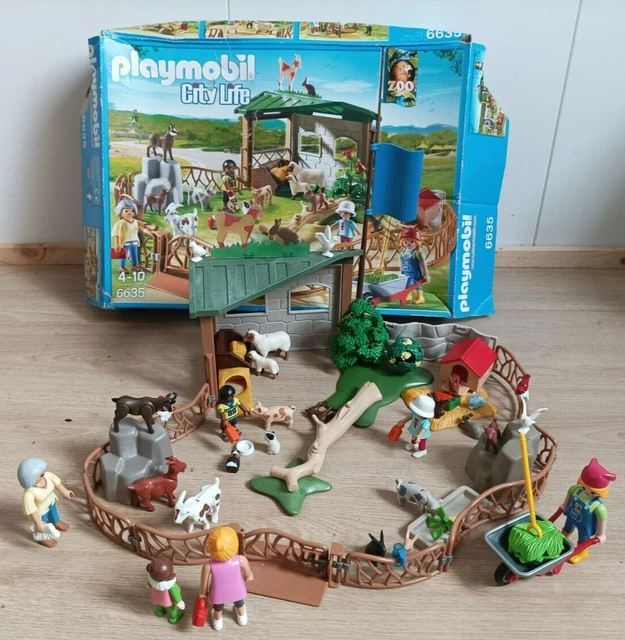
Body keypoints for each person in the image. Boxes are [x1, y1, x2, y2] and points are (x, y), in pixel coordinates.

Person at [559, 458, 616, 564]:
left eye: (593, 492)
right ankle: (561, 541)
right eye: (584, 487)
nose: (587, 493)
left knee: (583, 539)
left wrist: (601, 534)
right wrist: (564, 506)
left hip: (585, 525)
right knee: (566, 529)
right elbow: (568, 497)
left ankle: (582, 553)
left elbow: (602, 519)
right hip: (571, 515)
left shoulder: (598, 506)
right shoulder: (574, 490)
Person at [197, 526, 254, 631]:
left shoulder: (208, 566)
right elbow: (249, 575)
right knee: (239, 603)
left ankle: (218, 621)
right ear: (235, 545)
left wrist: (203, 594)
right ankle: (241, 617)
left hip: (218, 593)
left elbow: (203, 585)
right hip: (237, 591)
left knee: (218, 607)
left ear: (210, 548)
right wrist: (248, 576)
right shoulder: (241, 560)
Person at [17, 458, 75, 548]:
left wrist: (65, 492)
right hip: (41, 511)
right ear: (31, 478)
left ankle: (56, 522)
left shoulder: (48, 476)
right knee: (42, 524)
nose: (44, 473)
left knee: (54, 513)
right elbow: (32, 510)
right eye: (41, 474)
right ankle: (42, 538)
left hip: (52, 502)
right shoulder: (29, 493)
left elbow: (57, 484)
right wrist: (39, 523)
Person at [111, 199, 156, 274]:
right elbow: (116, 234)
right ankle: (121, 267)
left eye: (132, 211)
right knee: (123, 255)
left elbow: (142, 224)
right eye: (126, 211)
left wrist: (149, 226)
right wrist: (117, 244)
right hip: (124, 243)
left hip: (134, 241)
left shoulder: (135, 221)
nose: (130, 213)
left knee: (134, 254)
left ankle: (135, 265)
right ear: (120, 212)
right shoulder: (120, 223)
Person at [393, 395, 435, 459]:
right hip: (415, 430)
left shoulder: (426, 422)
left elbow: (424, 429)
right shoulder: (415, 414)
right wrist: (403, 421)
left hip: (422, 435)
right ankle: (413, 444)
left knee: (421, 442)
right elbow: (409, 417)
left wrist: (419, 436)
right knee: (413, 437)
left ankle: (422, 450)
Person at [146, 557, 185, 624]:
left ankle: (160, 611)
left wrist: (149, 586)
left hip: (156, 598)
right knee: (171, 608)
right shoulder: (171, 585)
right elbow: (175, 593)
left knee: (159, 604)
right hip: (167, 601)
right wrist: (179, 601)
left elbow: (149, 584)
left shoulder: (151, 580)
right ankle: (174, 617)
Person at [399, 226, 428, 304]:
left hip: (415, 273)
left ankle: (420, 297)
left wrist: (425, 274)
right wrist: (401, 271)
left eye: (412, 241)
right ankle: (408, 295)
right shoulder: (403, 252)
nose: (408, 243)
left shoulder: (417, 253)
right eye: (405, 242)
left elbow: (423, 264)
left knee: (416, 285)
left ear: (417, 242)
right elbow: (402, 263)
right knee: (407, 284)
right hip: (406, 272)